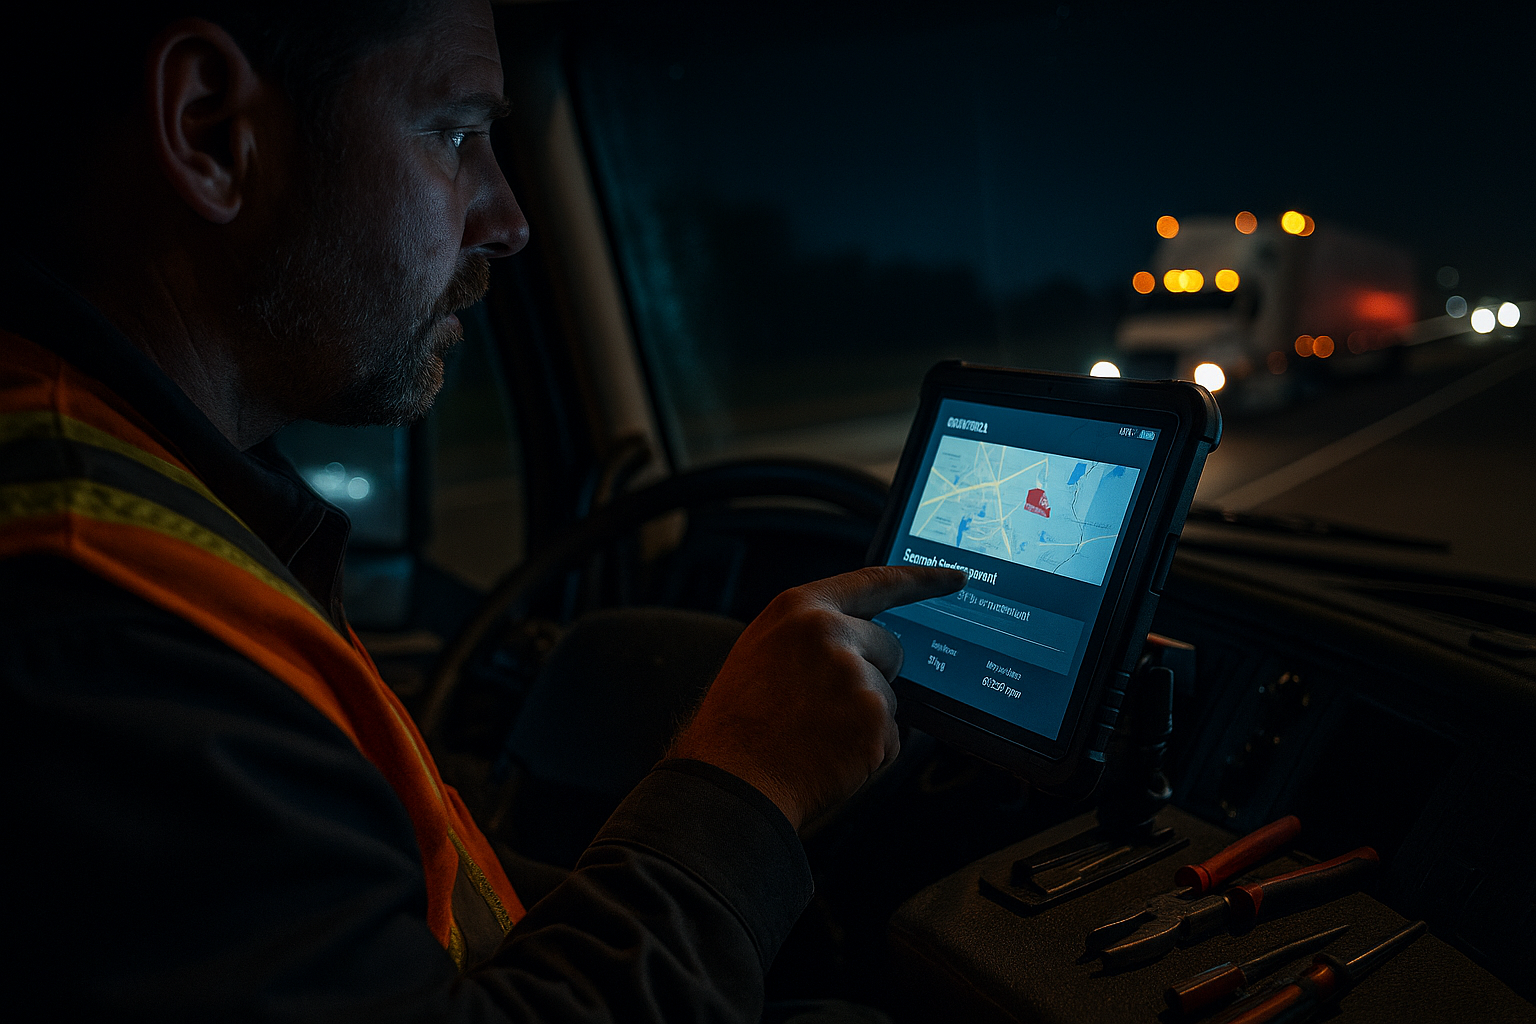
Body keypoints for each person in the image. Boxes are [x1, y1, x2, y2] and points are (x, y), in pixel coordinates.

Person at [0, 0, 965, 1020]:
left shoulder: (148, 494)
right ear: (210, 132)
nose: (508, 220)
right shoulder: (93, 623)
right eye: (456, 133)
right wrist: (746, 783)